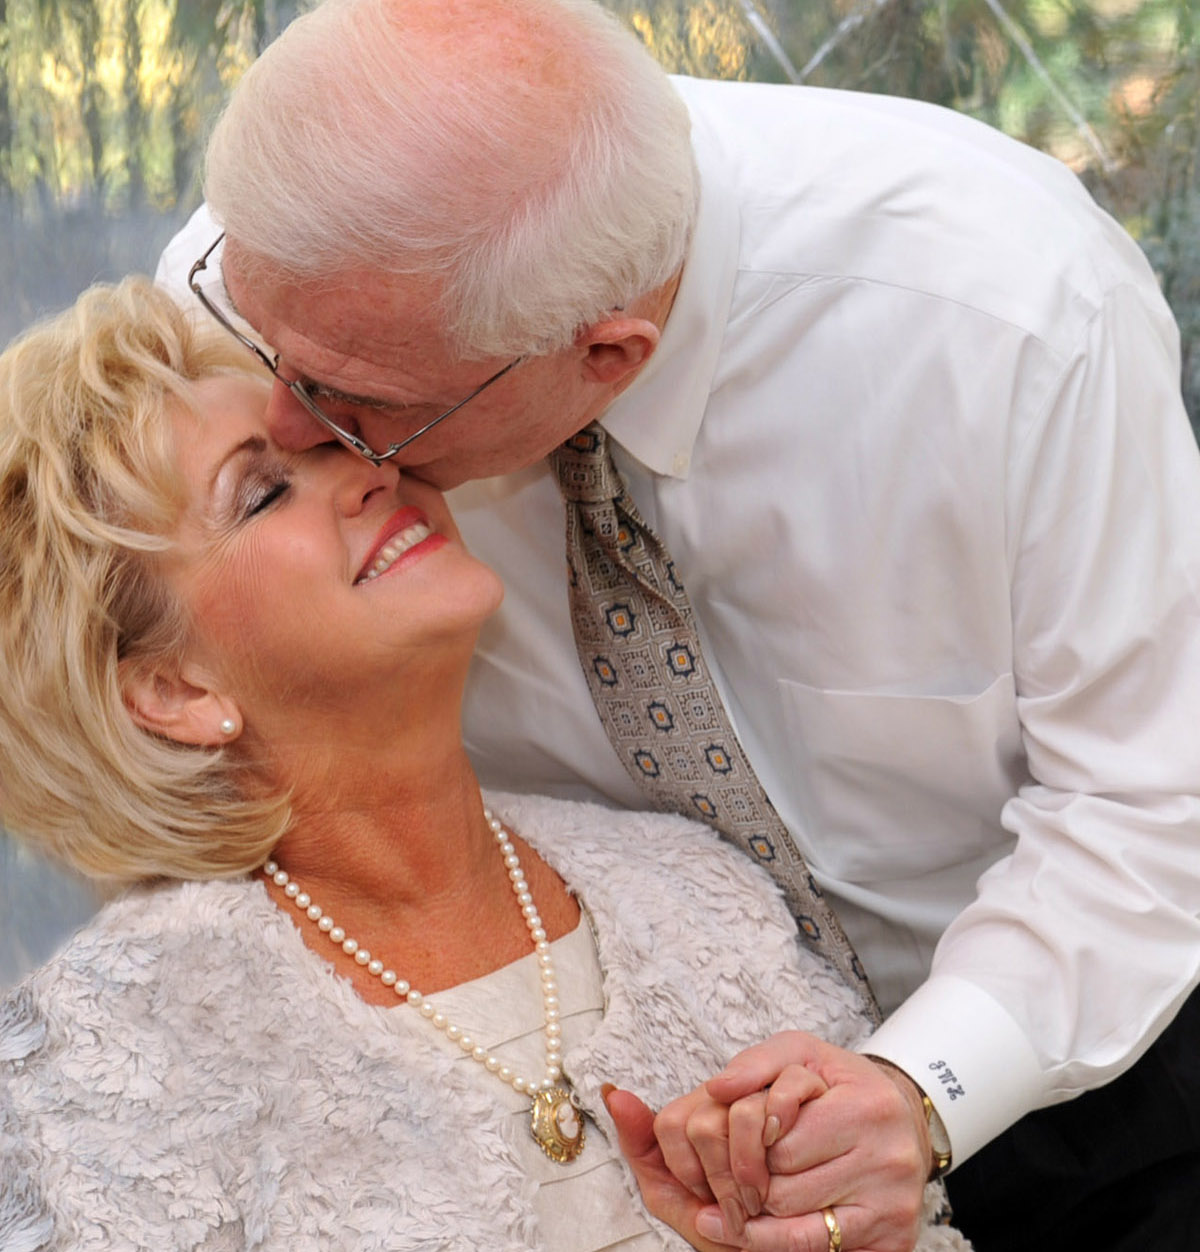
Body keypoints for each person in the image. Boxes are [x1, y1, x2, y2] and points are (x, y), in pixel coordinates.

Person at [154, 0, 1200, 1252]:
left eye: (356, 406)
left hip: (1088, 1052)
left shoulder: (1006, 312)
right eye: (272, 355)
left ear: (604, 355)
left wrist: (917, 1087)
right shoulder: (293, 284)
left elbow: (1146, 801)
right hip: (613, 1097)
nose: (284, 420)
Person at [0, 278, 971, 1252]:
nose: (372, 473)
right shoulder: (102, 1054)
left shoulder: (698, 895)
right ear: (170, 691)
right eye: (263, 491)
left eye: (345, 438)